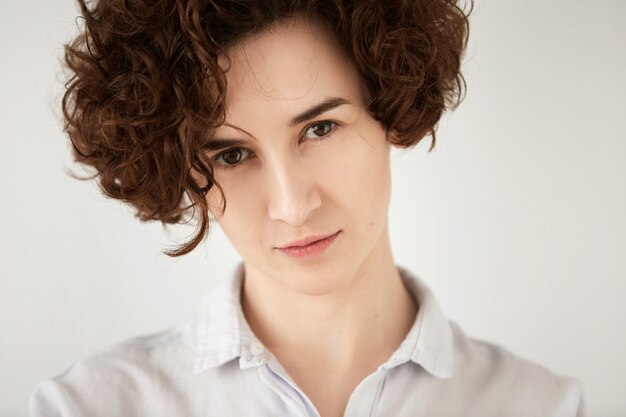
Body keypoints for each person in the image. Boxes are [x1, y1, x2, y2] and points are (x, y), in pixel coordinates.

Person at [29, 0, 585, 416]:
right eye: (232, 153)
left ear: (390, 103)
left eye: (320, 128)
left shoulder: (545, 406)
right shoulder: (85, 408)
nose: (293, 206)